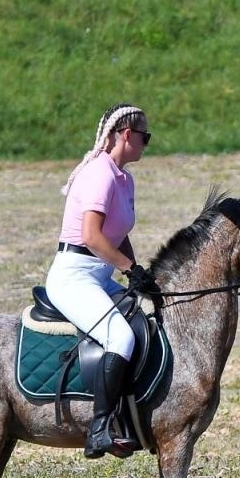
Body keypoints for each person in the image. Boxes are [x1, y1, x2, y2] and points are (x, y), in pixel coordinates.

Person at [47, 103, 157, 459]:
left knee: (143, 320)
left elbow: (118, 231)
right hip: (74, 277)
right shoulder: (100, 174)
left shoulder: (124, 177)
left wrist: (138, 271)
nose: (147, 143)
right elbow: (92, 236)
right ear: (126, 135)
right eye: (145, 137)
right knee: (120, 336)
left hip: (99, 275)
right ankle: (98, 430)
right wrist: (129, 269)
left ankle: (131, 416)